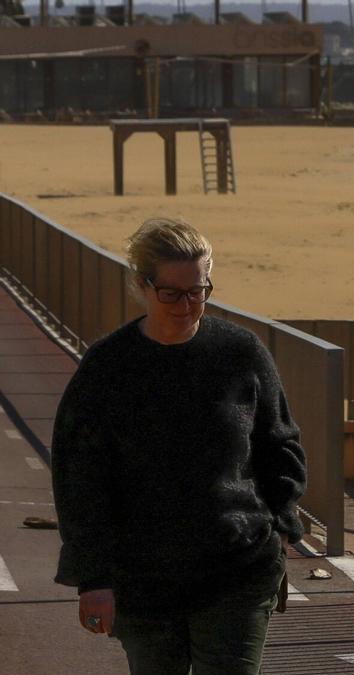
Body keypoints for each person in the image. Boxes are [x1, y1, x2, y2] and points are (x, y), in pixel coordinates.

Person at [51, 217, 307, 675]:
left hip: (238, 570)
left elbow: (280, 443)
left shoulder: (241, 354)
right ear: (142, 285)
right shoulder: (108, 368)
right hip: (143, 583)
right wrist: (93, 579)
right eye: (172, 293)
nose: (187, 305)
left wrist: (283, 524)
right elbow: (80, 480)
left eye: (199, 291)